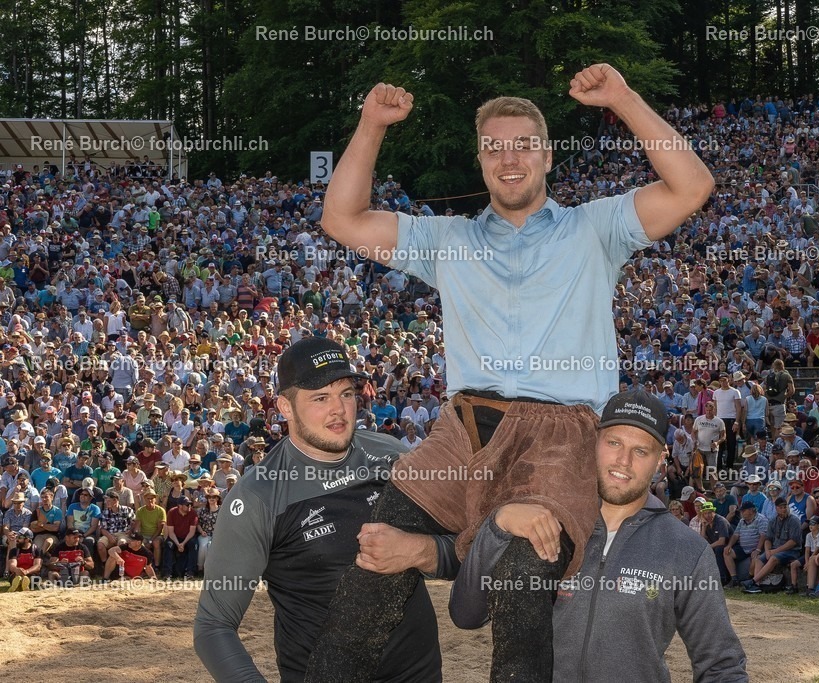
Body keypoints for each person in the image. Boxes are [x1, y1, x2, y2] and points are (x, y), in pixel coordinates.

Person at [307, 63, 715, 682]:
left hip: (561, 435)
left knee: (524, 576)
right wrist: (370, 125)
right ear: (480, 162)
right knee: (374, 557)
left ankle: (451, 566)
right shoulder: (447, 239)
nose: (509, 157)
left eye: (523, 144)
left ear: (547, 156)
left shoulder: (594, 228)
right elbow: (341, 218)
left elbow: (691, 186)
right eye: (493, 147)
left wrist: (623, 98)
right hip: (463, 431)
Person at [195, 338, 459, 682]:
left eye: (346, 393)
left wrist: (421, 551)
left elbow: (465, 552)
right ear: (286, 407)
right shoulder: (259, 496)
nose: (339, 409)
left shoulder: (392, 456)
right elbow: (213, 626)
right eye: (320, 398)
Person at [449, 389, 748, 682]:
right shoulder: (545, 522)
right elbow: (466, 615)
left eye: (641, 451)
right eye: (614, 442)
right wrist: (497, 526)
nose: (623, 461)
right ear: (593, 442)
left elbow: (721, 666)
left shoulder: (686, 549)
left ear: (661, 459)